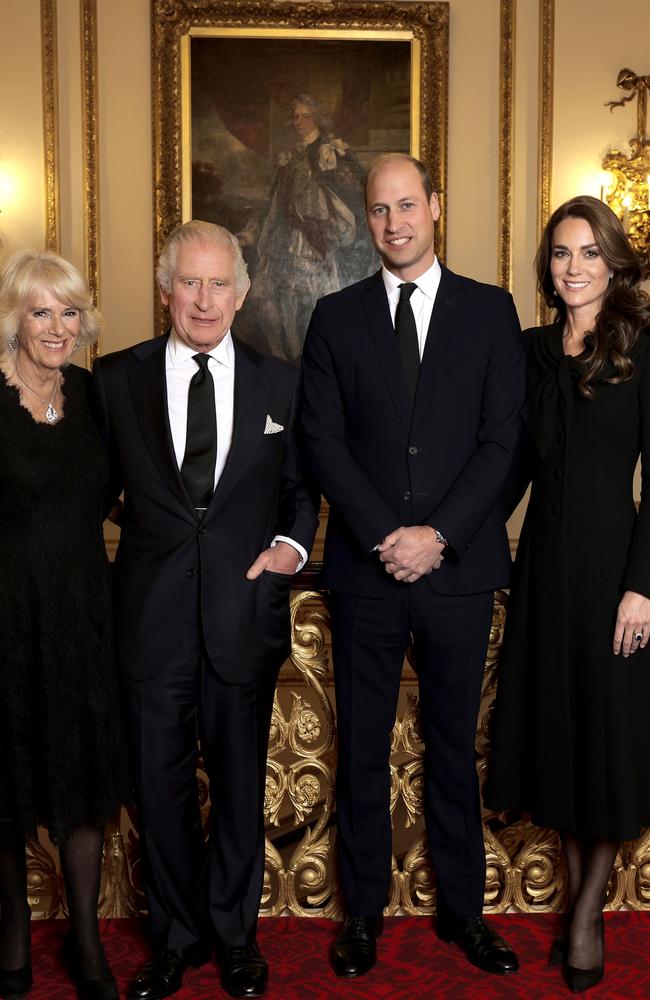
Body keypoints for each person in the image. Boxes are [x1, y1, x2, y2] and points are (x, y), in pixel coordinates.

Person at [300, 153, 525, 980]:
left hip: (458, 574)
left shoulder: (491, 312)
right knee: (359, 747)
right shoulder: (335, 317)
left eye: (407, 204)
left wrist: (438, 536)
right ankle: (360, 915)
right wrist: (386, 535)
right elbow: (321, 441)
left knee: (451, 747)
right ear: (366, 219)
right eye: (377, 209)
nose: (394, 222)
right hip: (366, 574)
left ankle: (463, 914)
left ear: (435, 204)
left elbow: (503, 442)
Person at [92, 221, 318, 1000]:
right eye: (189, 282)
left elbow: (298, 490)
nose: (203, 299)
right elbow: (89, 488)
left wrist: (287, 549)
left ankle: (233, 937)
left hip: (239, 619)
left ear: (243, 293)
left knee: (237, 789)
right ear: (165, 290)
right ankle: (175, 939)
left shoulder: (279, 384)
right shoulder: (114, 378)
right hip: (149, 624)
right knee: (159, 796)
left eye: (219, 283)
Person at [485, 195, 650, 994]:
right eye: (560, 253)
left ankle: (586, 916)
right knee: (568, 745)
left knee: (608, 747)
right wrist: (443, 528)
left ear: (615, 263)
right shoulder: (530, 350)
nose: (573, 267)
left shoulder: (643, 349)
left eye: (588, 253)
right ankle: (583, 907)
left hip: (617, 575)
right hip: (543, 573)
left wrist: (642, 588)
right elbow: (509, 464)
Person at [0, 250, 129, 1000]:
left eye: (69, 311)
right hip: (8, 616)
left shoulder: (92, 397)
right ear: (17, 317)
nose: (56, 326)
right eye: (41, 311)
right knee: (9, 778)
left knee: (83, 778)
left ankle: (84, 933)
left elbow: (125, 495)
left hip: (84, 613)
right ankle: (12, 928)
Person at [238, 93, 375, 363]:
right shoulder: (288, 157)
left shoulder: (333, 151)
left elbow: (352, 195)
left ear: (317, 120)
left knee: (316, 299)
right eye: (296, 117)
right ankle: (284, 359)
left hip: (319, 236)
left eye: (305, 116)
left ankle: (319, 357)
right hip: (285, 236)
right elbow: (274, 200)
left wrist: (324, 219)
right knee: (275, 298)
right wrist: (253, 231)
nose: (299, 122)